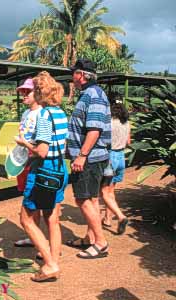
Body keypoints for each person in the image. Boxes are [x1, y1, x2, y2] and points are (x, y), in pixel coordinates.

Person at [16, 71, 68, 282]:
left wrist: (25, 144)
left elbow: (42, 151)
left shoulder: (45, 116)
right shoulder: (61, 113)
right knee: (52, 218)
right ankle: (53, 258)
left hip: (43, 171)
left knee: (26, 219)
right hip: (59, 170)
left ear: (39, 92)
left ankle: (50, 265)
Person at [66, 58, 111, 259]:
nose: (72, 77)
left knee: (82, 199)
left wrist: (82, 155)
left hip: (89, 158)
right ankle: (89, 238)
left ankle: (101, 243)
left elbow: (94, 129)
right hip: (89, 157)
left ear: (82, 75)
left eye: (74, 73)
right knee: (91, 198)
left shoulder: (94, 95)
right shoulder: (89, 94)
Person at [13, 78, 42, 248]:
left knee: (37, 200)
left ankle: (44, 244)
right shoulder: (26, 114)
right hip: (25, 158)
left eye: (27, 91)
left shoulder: (42, 114)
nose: (23, 94)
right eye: (22, 91)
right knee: (28, 196)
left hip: (36, 158)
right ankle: (34, 237)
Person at [100, 97, 130, 234]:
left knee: (104, 192)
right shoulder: (126, 123)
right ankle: (107, 218)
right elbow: (128, 141)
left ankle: (120, 216)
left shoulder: (109, 123)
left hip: (110, 157)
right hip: (121, 157)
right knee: (111, 191)